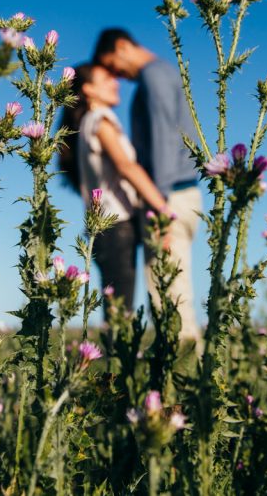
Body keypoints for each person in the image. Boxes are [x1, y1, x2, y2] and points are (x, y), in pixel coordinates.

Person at [92, 28, 202, 343]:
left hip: (169, 198)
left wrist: (160, 209)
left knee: (171, 306)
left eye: (113, 65)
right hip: (179, 193)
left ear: (123, 46)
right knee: (174, 300)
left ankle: (187, 387)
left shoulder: (153, 76)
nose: (117, 76)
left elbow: (166, 142)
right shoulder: (163, 73)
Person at [58, 63, 169, 311]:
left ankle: (113, 350)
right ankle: (116, 351)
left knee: (115, 308)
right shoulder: (100, 120)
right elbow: (126, 166)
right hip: (116, 227)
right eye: (107, 79)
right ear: (88, 89)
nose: (116, 83)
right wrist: (162, 208)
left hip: (104, 229)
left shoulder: (86, 124)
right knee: (121, 312)